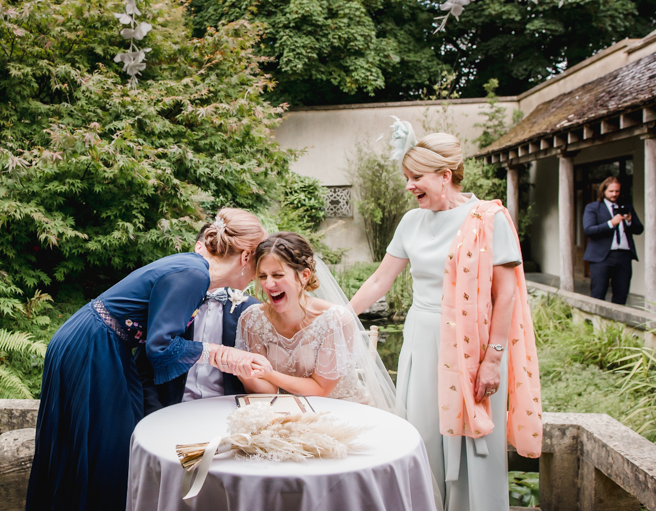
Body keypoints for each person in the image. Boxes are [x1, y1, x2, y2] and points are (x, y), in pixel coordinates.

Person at [347, 120, 540, 511]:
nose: (408, 186)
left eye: (416, 177)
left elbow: (506, 297)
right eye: (406, 177)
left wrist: (493, 359)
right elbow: (380, 280)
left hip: (477, 345)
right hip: (422, 340)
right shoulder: (410, 222)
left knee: (477, 445)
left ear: (445, 176)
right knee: (422, 435)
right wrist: (339, 315)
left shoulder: (489, 219)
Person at [24, 209, 273, 511]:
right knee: (104, 447)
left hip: (106, 344)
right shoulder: (194, 273)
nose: (256, 277)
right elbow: (160, 347)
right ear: (246, 257)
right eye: (258, 265)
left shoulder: (194, 269)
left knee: (112, 440)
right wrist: (223, 355)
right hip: (92, 346)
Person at [234, 232, 397, 411]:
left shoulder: (335, 320)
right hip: (287, 412)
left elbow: (320, 389)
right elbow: (267, 390)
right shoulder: (252, 319)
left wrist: (268, 373)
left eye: (278, 275)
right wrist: (245, 373)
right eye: (263, 276)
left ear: (304, 276)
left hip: (342, 410)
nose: (268, 284)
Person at [144, 224, 263, 410]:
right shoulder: (177, 297)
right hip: (171, 408)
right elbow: (146, 363)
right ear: (198, 248)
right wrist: (153, 411)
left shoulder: (250, 309)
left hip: (228, 409)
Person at [582, 176, 644, 305]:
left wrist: (630, 220)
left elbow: (639, 229)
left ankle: (616, 325)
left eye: (617, 191)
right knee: (598, 294)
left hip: (624, 256)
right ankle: (595, 324)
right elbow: (589, 230)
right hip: (601, 257)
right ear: (603, 191)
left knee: (621, 294)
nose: (614, 194)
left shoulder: (626, 206)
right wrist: (610, 223)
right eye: (611, 191)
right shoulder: (593, 207)